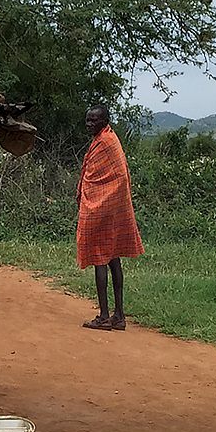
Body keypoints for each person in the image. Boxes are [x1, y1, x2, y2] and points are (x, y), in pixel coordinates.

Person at [75, 104, 144, 330]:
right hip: (113, 210)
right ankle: (119, 316)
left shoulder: (105, 142)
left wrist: (96, 202)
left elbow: (114, 179)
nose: (89, 124)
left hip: (103, 210)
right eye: (88, 120)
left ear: (105, 121)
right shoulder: (108, 139)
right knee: (113, 257)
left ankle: (104, 316)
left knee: (100, 258)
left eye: (94, 120)